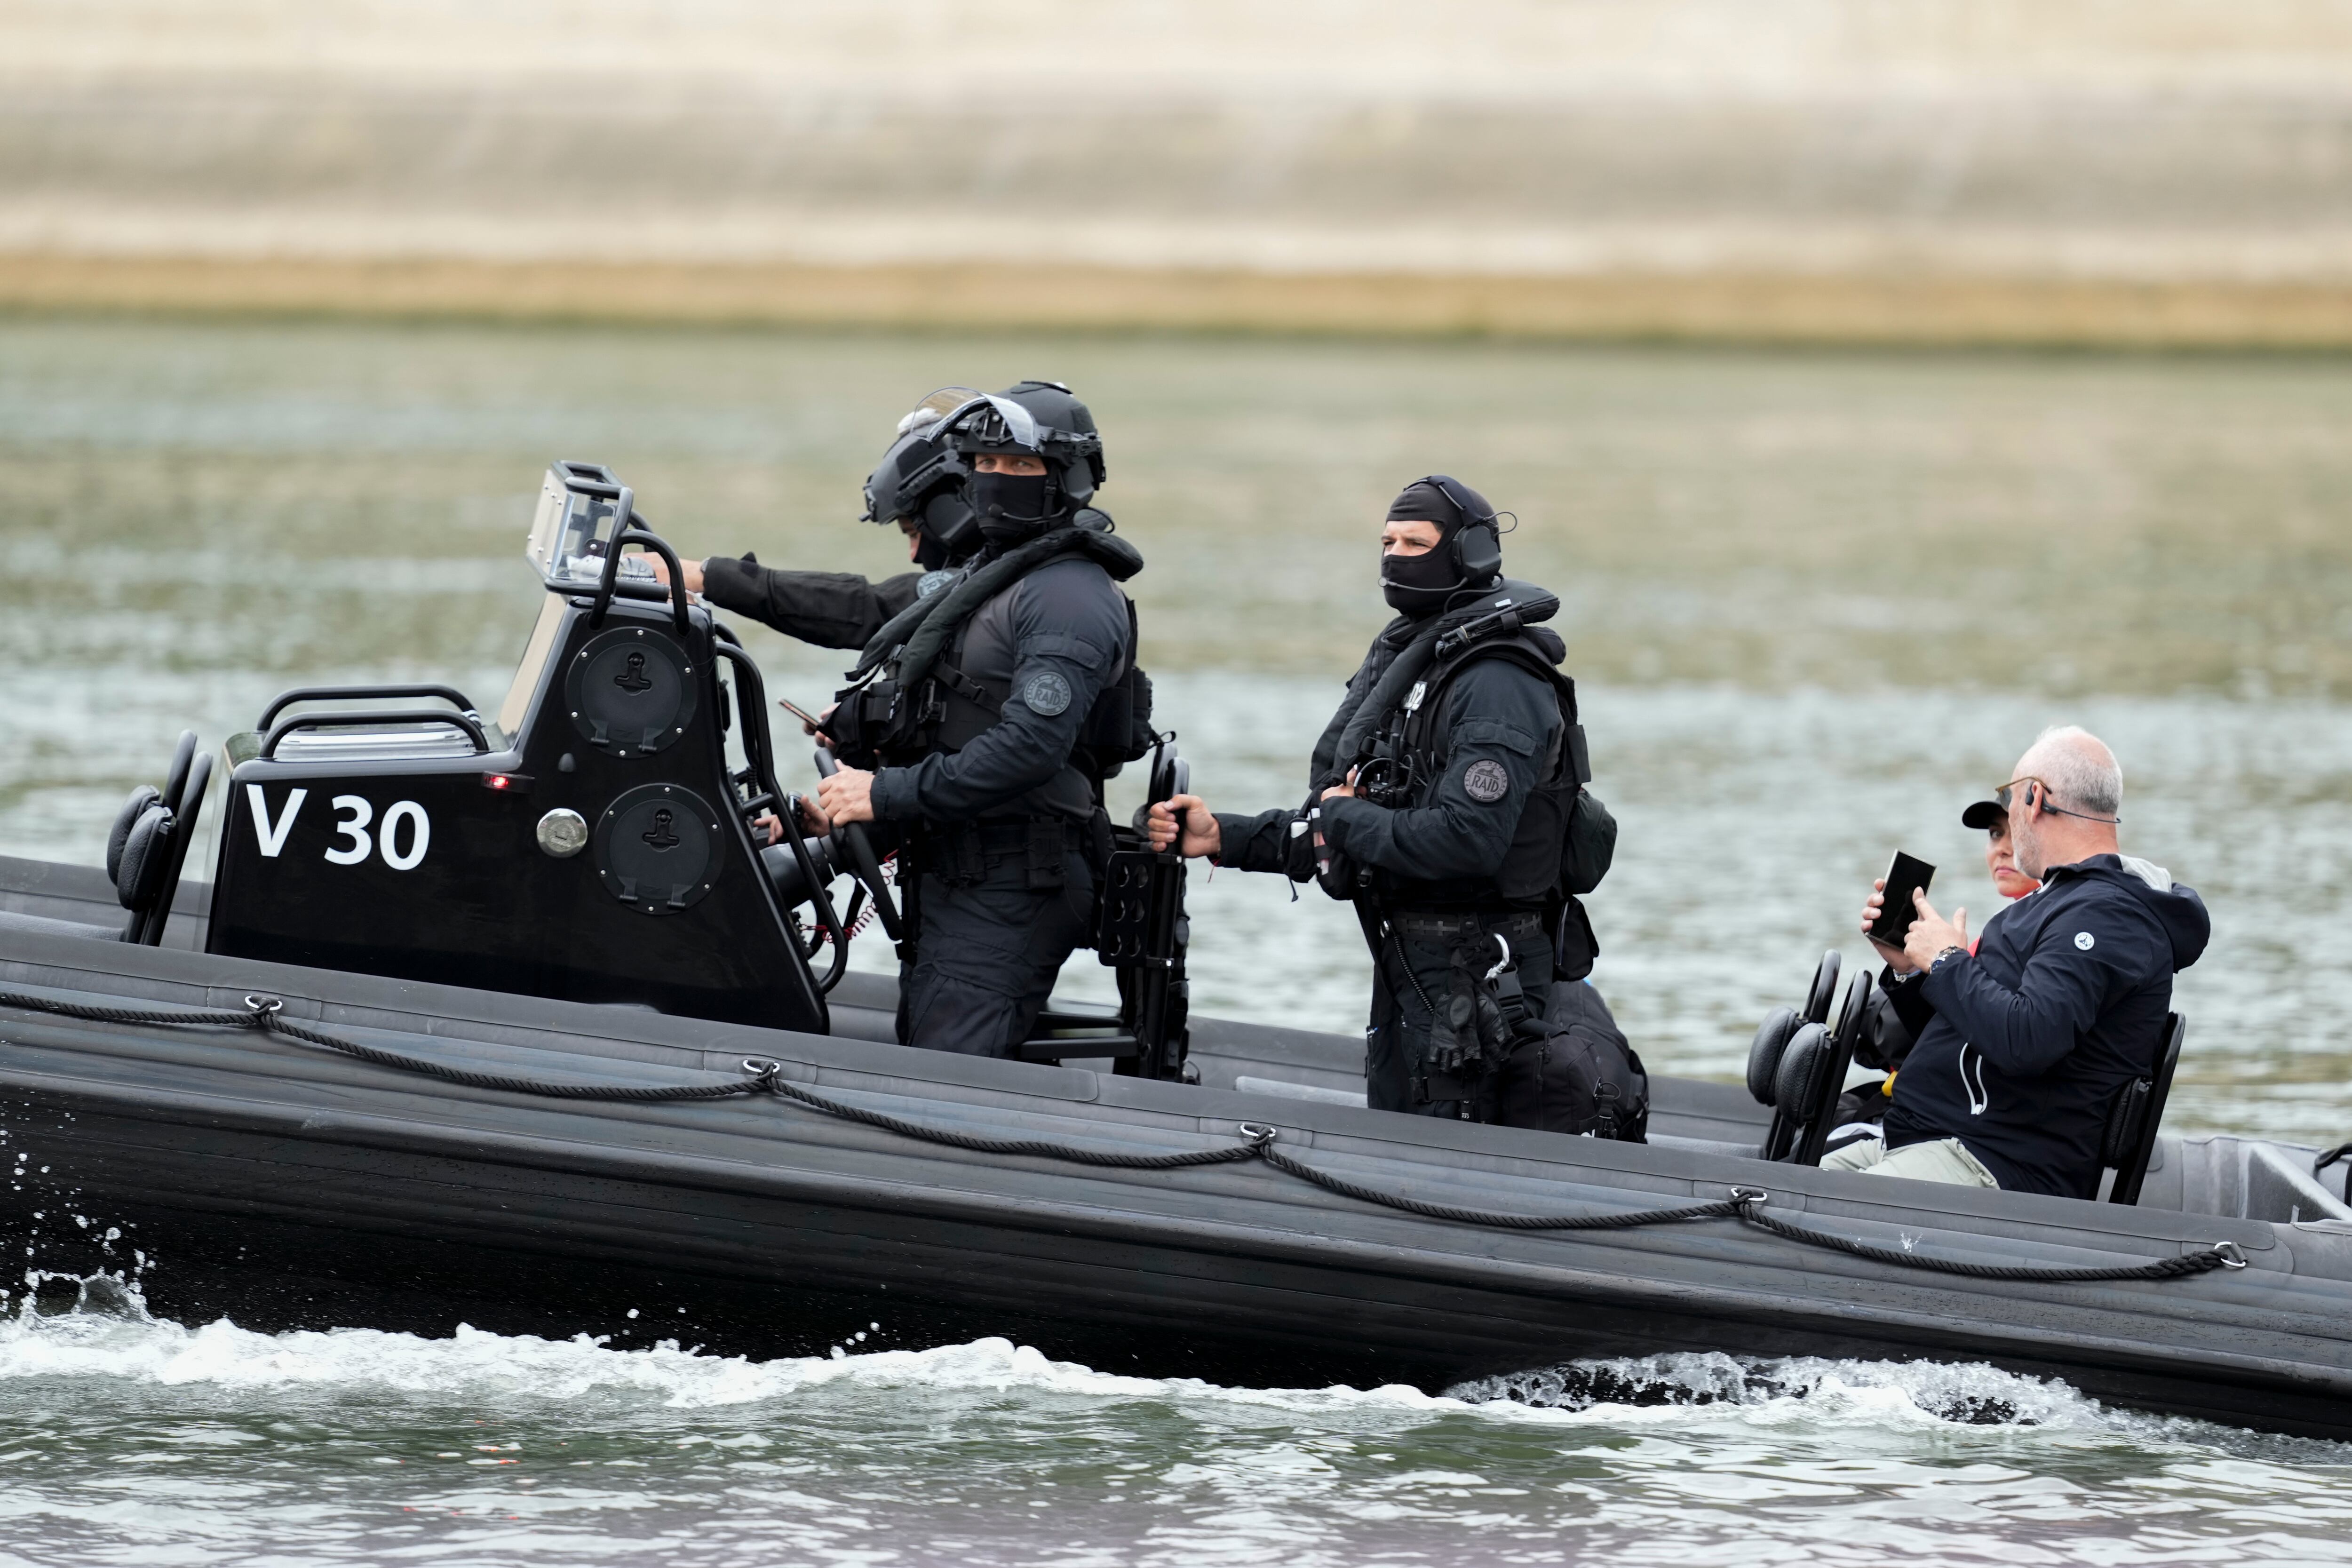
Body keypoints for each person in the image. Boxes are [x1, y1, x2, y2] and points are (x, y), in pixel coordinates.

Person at [1148, 477, 1621, 1122]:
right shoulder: (1419, 667)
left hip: (1480, 976)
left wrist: (1345, 814)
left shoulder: (1496, 682)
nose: (1395, 556)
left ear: (1470, 555)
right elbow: (1358, 814)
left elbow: (1464, 839)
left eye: (1415, 542)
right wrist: (1221, 838)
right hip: (1416, 967)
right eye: (1387, 542)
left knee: (1453, 1157)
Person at [801, 384, 1151, 1059]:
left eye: (1019, 467)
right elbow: (956, 723)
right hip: (959, 877)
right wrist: (857, 804)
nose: (997, 480)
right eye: (984, 464)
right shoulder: (993, 578)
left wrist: (883, 794)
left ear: (1066, 476)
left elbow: (1031, 747)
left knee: (944, 1091)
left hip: (1012, 887)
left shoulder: (1068, 595)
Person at [1826, 725, 2209, 1197]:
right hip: (1931, 1141)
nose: (2007, 818)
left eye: (2007, 798)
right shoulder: (2057, 902)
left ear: (2033, 798)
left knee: (1785, 1215)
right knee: (1774, 1184)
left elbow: (2029, 1039)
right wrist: (1913, 967)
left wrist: (1947, 960)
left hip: (1997, 1166)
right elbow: (1975, 1029)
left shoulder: (2108, 915)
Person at [650, 386, 989, 650]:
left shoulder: (998, 581)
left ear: (953, 514)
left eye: (913, 532)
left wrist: (705, 576)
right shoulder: (994, 576)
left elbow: (869, 607)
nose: (915, 554)